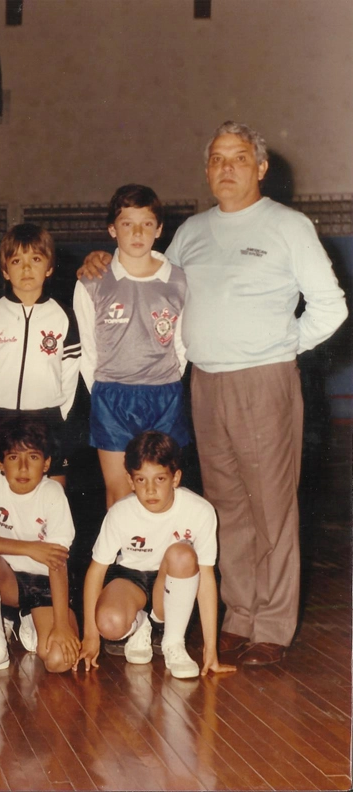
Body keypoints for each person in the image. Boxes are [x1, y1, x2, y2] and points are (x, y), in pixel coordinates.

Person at [80, 122, 347, 666]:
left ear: (261, 168)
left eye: (240, 158)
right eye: (218, 159)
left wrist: (280, 345)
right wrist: (98, 264)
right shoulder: (193, 232)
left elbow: (332, 306)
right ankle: (239, 614)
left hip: (263, 379)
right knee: (226, 507)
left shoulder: (288, 225)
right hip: (202, 383)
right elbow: (149, 274)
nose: (228, 168)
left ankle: (271, 624)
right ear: (207, 171)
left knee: (272, 506)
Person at [76, 431, 235, 679]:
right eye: (141, 480)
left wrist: (210, 649)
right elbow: (96, 572)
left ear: (175, 478)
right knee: (108, 624)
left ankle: (173, 643)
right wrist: (90, 636)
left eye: (160, 479)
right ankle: (140, 625)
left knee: (182, 553)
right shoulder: (120, 513)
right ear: (130, 481)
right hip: (131, 579)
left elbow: (206, 579)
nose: (150, 490)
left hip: (173, 581)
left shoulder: (200, 511)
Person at [73, 185, 188, 507]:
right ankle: (125, 558)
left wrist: (166, 379)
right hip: (112, 396)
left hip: (164, 393)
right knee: (120, 493)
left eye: (147, 223)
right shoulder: (92, 282)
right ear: (112, 229)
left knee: (164, 492)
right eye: (127, 223)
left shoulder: (178, 280)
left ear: (159, 229)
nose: (137, 232)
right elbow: (87, 349)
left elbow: (182, 345)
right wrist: (103, 389)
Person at [0, 418, 80, 678]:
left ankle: (31, 619)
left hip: (47, 583)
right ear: (0, 463)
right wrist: (30, 548)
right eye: (14, 457)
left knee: (57, 660)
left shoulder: (53, 493)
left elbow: (57, 563)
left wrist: (61, 625)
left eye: (34, 457)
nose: (24, 467)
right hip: (8, 581)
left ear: (47, 463)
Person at [0, 224, 80, 486]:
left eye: (35, 259)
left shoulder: (63, 315)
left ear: (49, 267)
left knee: (53, 492)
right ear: (4, 271)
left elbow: (71, 372)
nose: (26, 268)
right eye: (16, 261)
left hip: (48, 417)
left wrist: (59, 413)